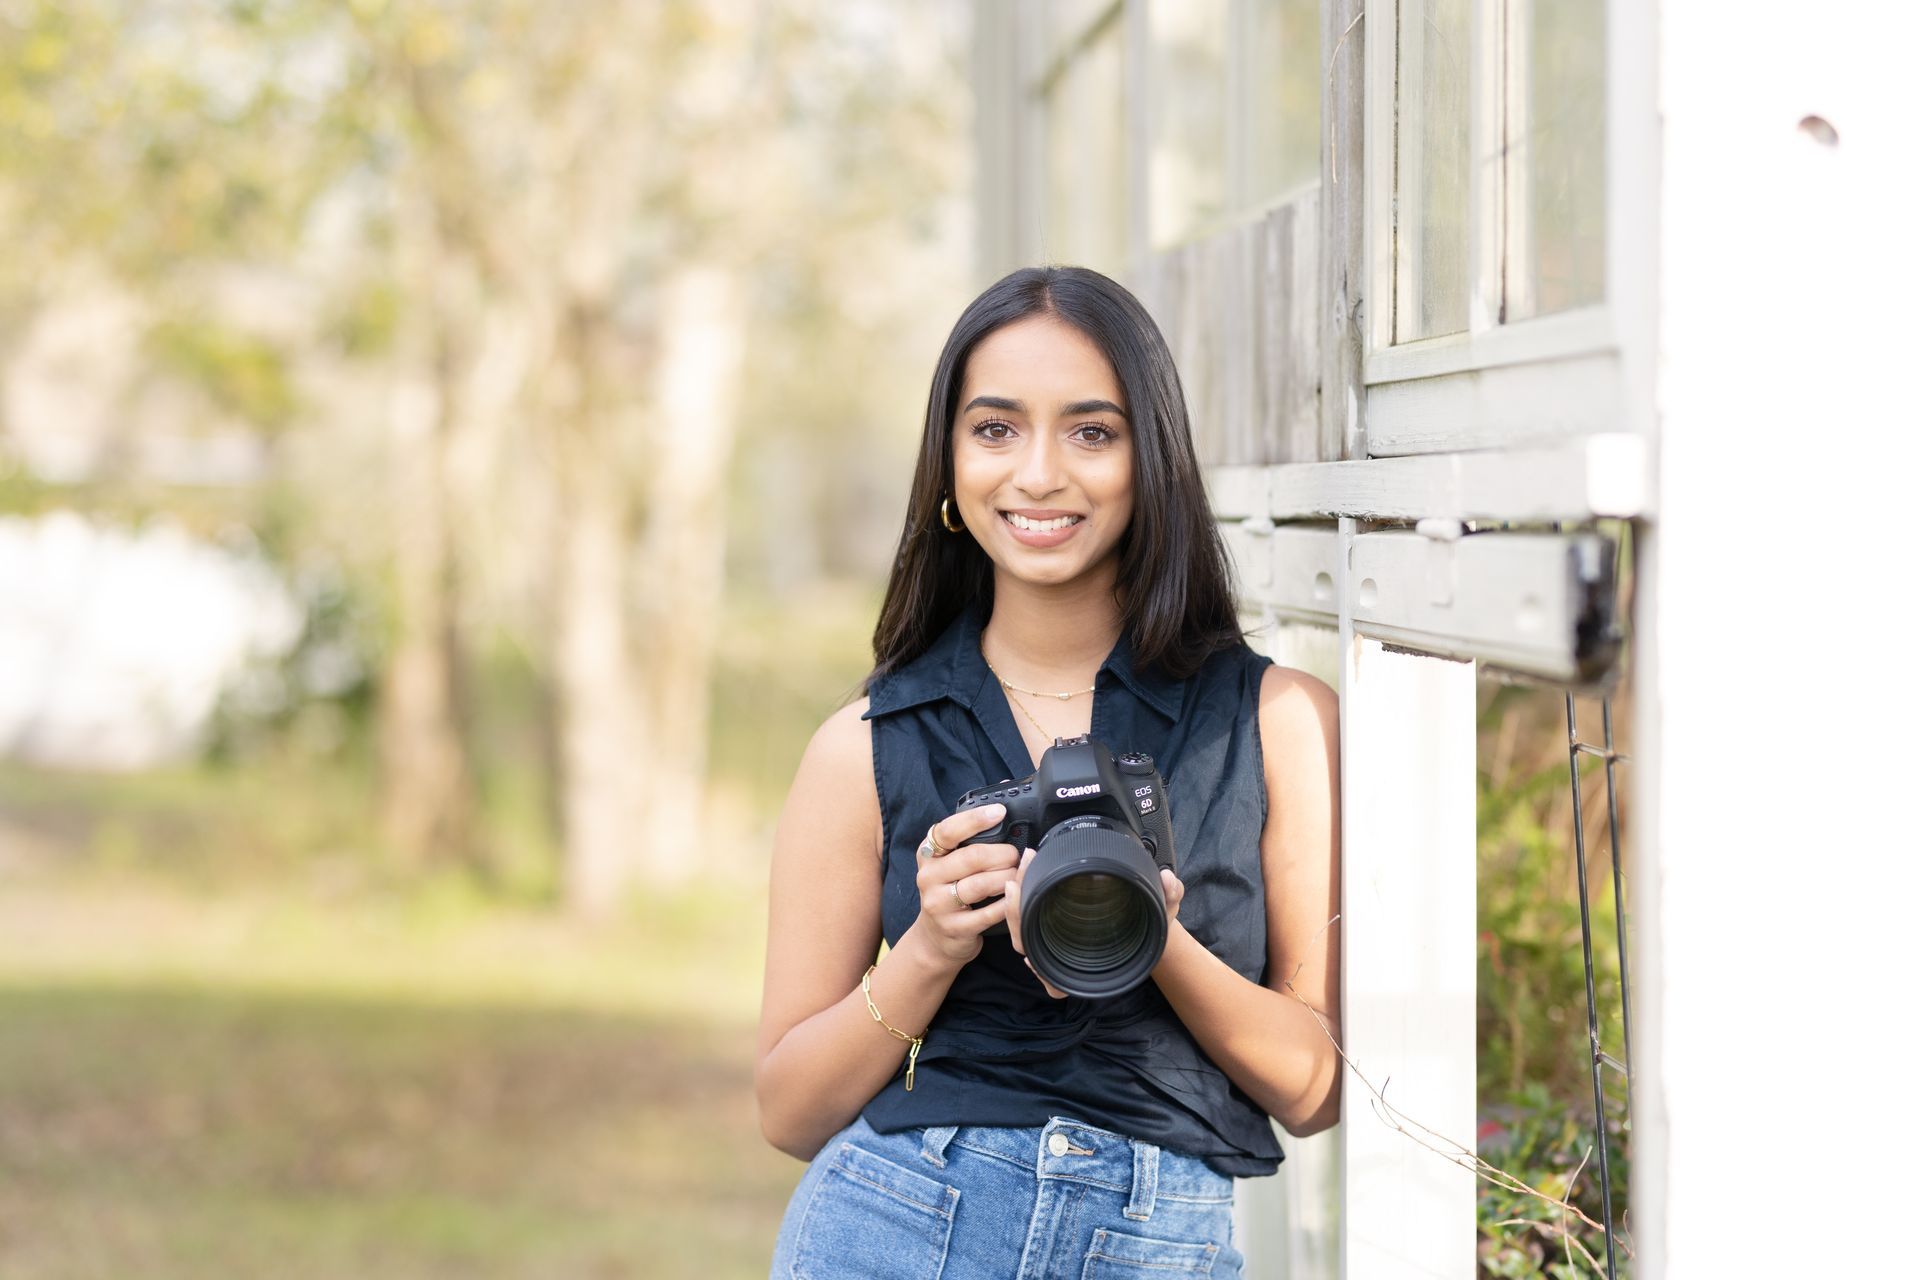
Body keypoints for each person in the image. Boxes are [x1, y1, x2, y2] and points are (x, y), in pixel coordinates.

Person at [757, 266, 1341, 1280]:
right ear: (947, 460)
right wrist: (932, 946)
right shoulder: (864, 742)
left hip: (1158, 1240)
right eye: (994, 428)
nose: (1036, 474)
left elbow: (1312, 1087)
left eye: (1090, 431)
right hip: (898, 1223)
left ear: (1149, 457)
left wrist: (1142, 926)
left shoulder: (1276, 719)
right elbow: (788, 1109)